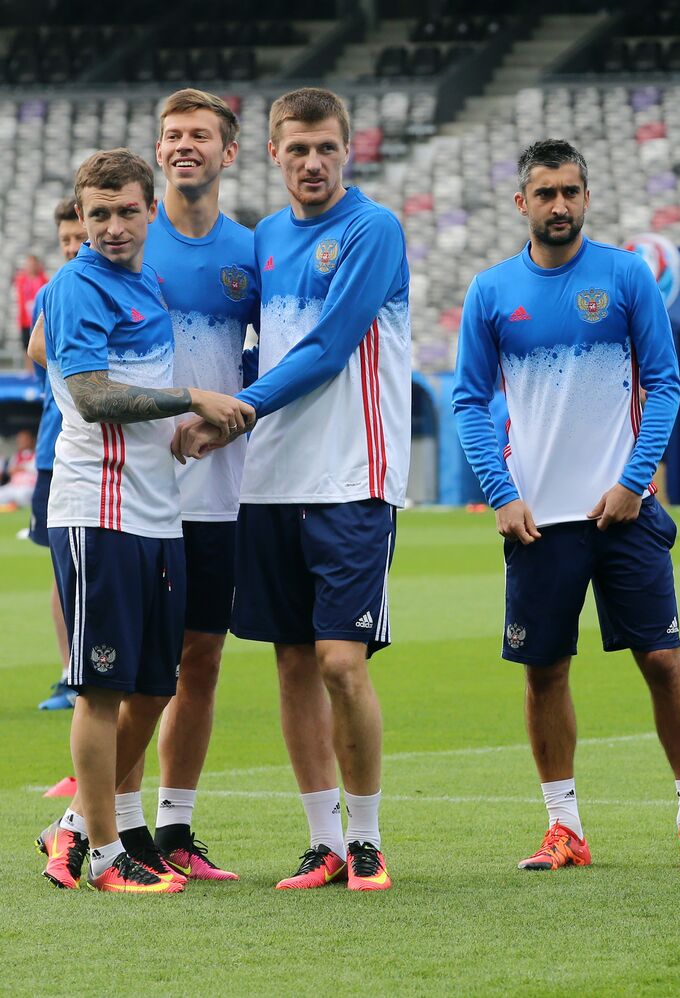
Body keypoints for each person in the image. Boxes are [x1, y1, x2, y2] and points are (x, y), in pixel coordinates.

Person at [453, 138, 680, 873]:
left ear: (587, 196)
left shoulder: (626, 276)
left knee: (664, 662)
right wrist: (501, 493)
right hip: (540, 521)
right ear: (522, 203)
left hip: (623, 512)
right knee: (544, 672)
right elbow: (470, 401)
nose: (560, 205)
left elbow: (665, 384)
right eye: (546, 194)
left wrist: (634, 481)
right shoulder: (490, 291)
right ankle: (564, 826)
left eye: (571, 191)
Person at [177, 87, 409, 891]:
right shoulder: (266, 238)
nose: (312, 163)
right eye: (297, 149)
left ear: (349, 152)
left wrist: (231, 414)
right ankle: (323, 844)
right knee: (291, 666)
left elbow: (327, 348)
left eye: (327, 149)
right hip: (269, 481)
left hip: (351, 475)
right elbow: (246, 335)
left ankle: (369, 838)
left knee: (344, 663)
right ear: (272, 154)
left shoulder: (373, 229)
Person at [41, 148, 252, 892]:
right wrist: (192, 399)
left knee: (157, 686)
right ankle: (104, 853)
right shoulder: (77, 286)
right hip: (99, 510)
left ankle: (72, 830)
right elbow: (95, 396)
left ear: (149, 210)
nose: (113, 226)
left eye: (128, 211)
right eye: (98, 214)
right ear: (83, 217)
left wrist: (187, 425)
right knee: (101, 690)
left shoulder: (148, 282)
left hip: (158, 513)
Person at [131, 88, 260, 880]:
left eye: (200, 135)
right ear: (158, 150)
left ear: (228, 152)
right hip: (137, 492)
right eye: (173, 134)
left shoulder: (254, 253)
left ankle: (176, 831)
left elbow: (273, 361)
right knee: (141, 669)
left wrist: (234, 417)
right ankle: (107, 827)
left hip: (223, 492)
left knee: (201, 661)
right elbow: (48, 345)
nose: (186, 146)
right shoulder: (126, 246)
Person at [31, 198, 86, 711]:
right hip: (57, 450)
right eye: (65, 240)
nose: (72, 247)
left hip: (106, 449)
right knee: (62, 568)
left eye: (78, 237)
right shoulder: (52, 294)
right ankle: (72, 672)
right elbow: (38, 354)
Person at [14, 253, 47, 351]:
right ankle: (28, 367)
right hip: (25, 320)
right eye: (29, 264)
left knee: (39, 346)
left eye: (33, 264)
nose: (31, 267)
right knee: (26, 347)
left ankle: (38, 367)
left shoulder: (43, 279)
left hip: (39, 318)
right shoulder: (21, 280)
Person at [0, 428, 38, 506]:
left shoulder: (37, 455)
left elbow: (36, 470)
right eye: (20, 440)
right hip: (14, 485)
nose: (21, 442)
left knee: (21, 495)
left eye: (24, 439)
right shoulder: (16, 456)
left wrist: (22, 468)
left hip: (29, 486)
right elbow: (10, 471)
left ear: (31, 440)